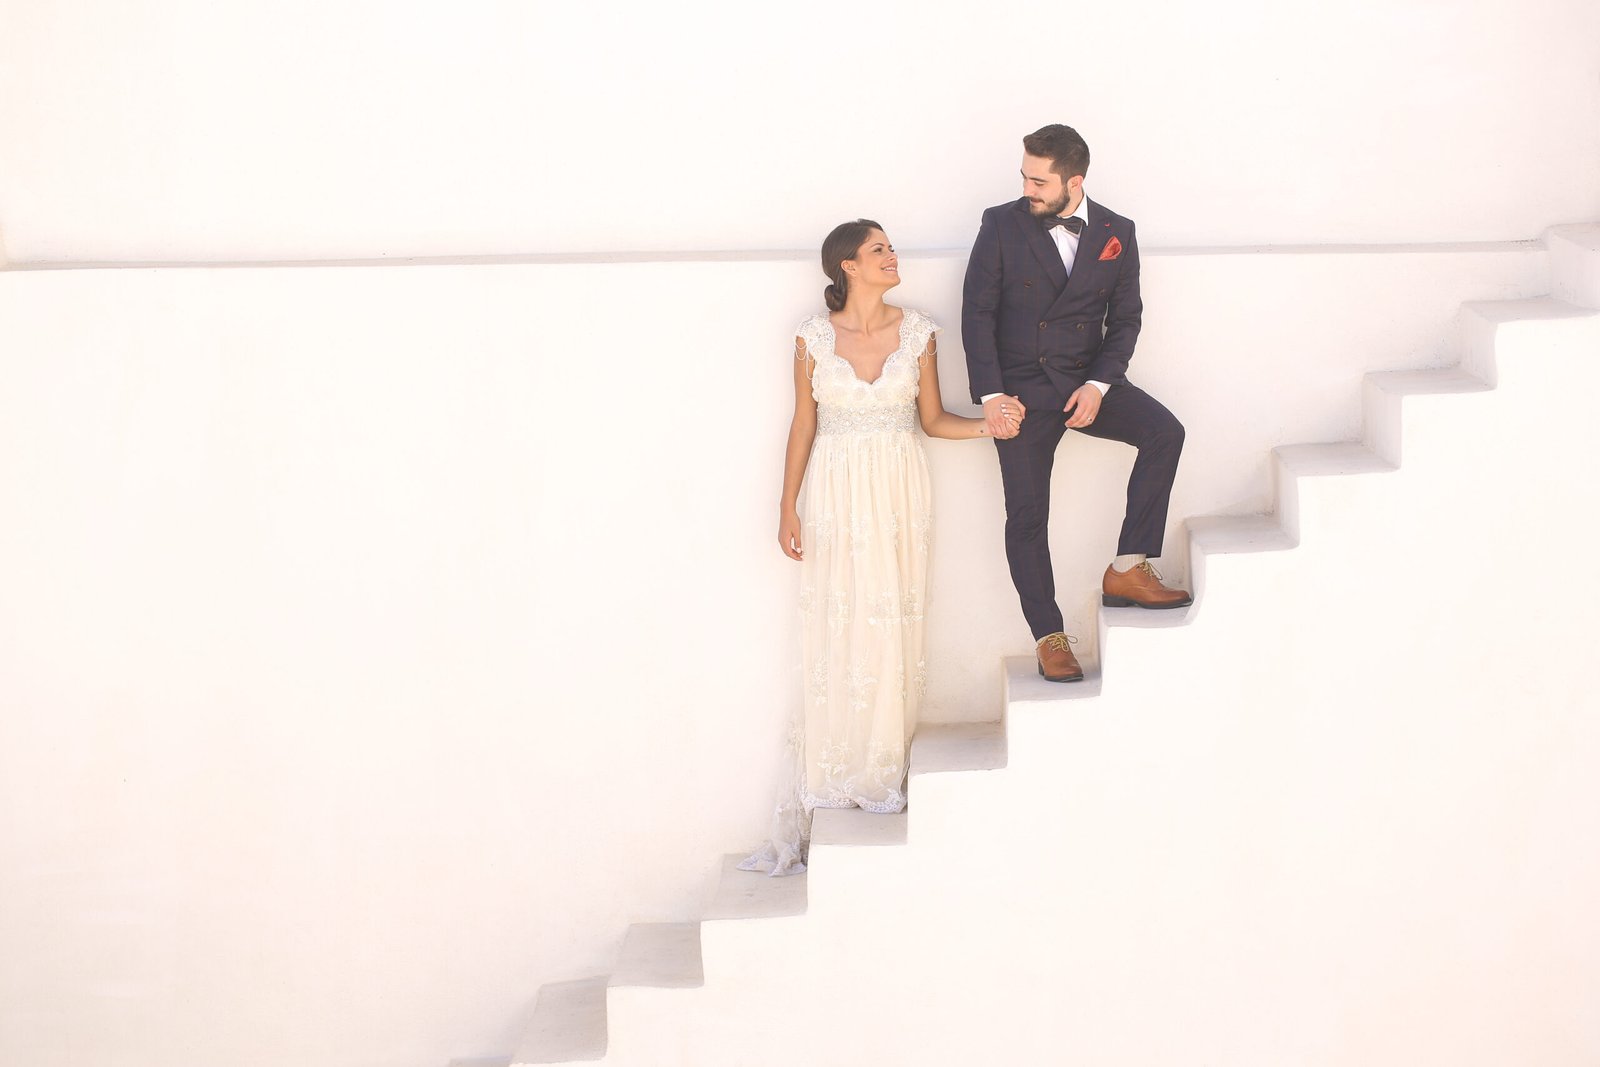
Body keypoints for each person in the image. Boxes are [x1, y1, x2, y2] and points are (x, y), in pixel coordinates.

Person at [740, 219, 1022, 876]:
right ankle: (832, 773)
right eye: (879, 250)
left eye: (891, 248)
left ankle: (879, 771)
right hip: (836, 493)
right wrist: (788, 504)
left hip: (900, 490)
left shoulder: (918, 332)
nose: (893, 257)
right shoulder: (812, 340)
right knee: (838, 626)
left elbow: (931, 420)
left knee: (891, 623)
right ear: (846, 266)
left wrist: (989, 426)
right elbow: (803, 424)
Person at [962, 124, 1190, 685]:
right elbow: (977, 312)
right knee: (1028, 515)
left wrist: (1100, 385)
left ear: (1075, 181)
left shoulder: (1118, 231)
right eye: (1024, 175)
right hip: (1021, 393)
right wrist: (992, 396)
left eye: (1039, 181)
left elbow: (1126, 318)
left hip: (1087, 383)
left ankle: (1129, 567)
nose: (1027, 188)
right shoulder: (1001, 224)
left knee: (1165, 433)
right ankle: (1049, 635)